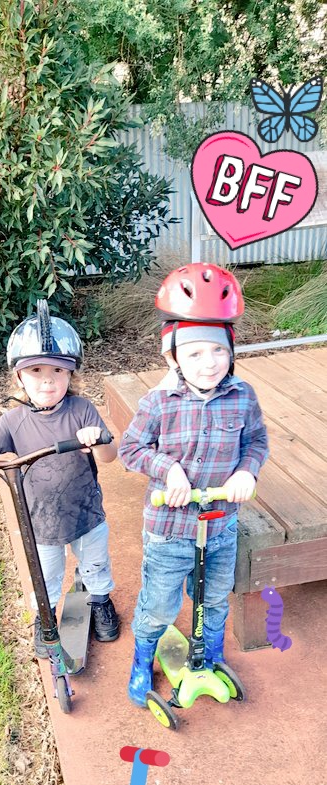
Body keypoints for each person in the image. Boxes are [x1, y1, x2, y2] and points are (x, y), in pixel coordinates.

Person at [0, 300, 119, 657]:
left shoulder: (81, 411)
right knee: (44, 575)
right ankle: (44, 615)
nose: (47, 380)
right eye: (35, 370)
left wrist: (95, 440)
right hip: (40, 520)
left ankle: (99, 600)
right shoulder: (14, 420)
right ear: (19, 376)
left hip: (86, 512)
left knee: (95, 562)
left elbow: (109, 457)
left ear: (71, 375)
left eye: (57, 371)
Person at [118, 263, 269, 707]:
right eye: (196, 353)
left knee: (215, 599)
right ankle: (143, 661)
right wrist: (168, 469)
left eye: (218, 352)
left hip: (220, 526)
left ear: (232, 351)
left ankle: (212, 657)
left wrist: (246, 471)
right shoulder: (158, 402)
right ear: (173, 356)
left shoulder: (242, 396)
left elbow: (257, 441)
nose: (209, 363)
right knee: (160, 605)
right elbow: (131, 449)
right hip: (169, 529)